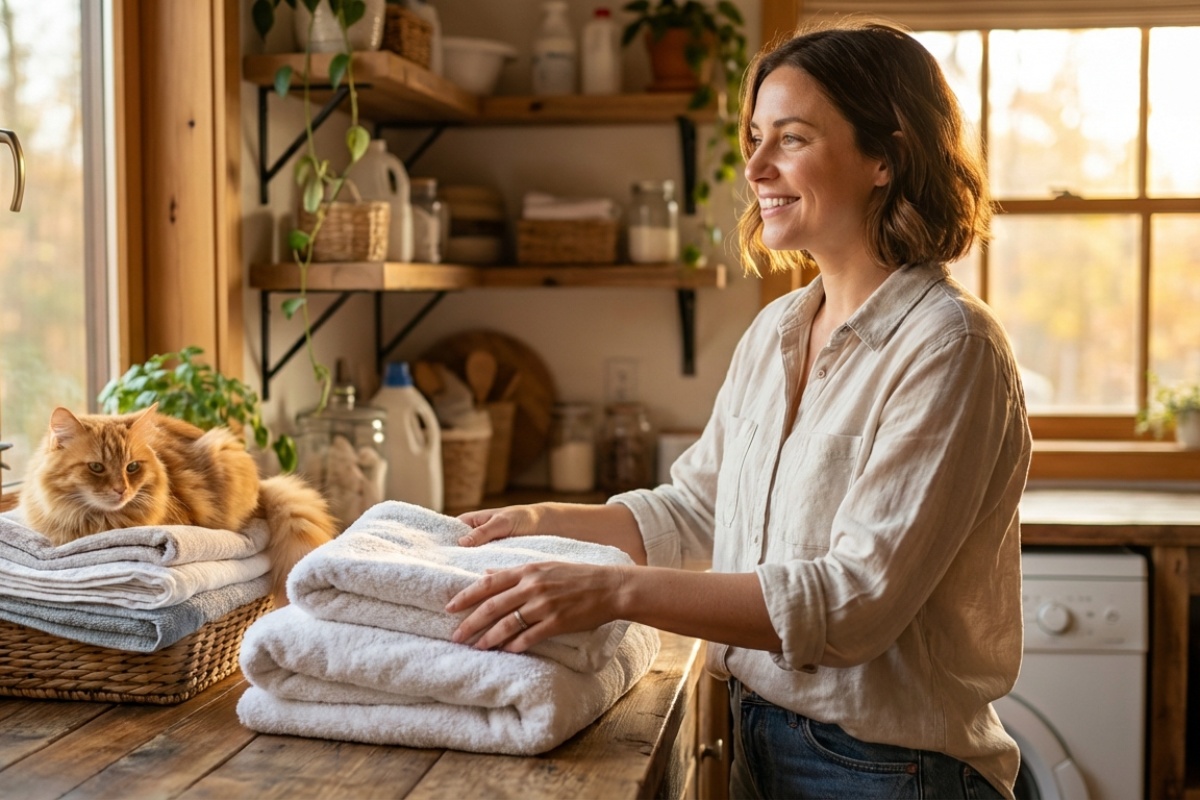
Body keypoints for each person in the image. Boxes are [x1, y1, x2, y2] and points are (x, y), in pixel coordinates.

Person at [445, 18, 1031, 800]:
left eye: (789, 138)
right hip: (763, 733)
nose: (754, 166)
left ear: (885, 155)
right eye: (754, 137)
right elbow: (696, 511)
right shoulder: (778, 331)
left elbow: (854, 602)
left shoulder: (949, 347)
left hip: (894, 772)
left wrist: (611, 591)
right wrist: (541, 519)